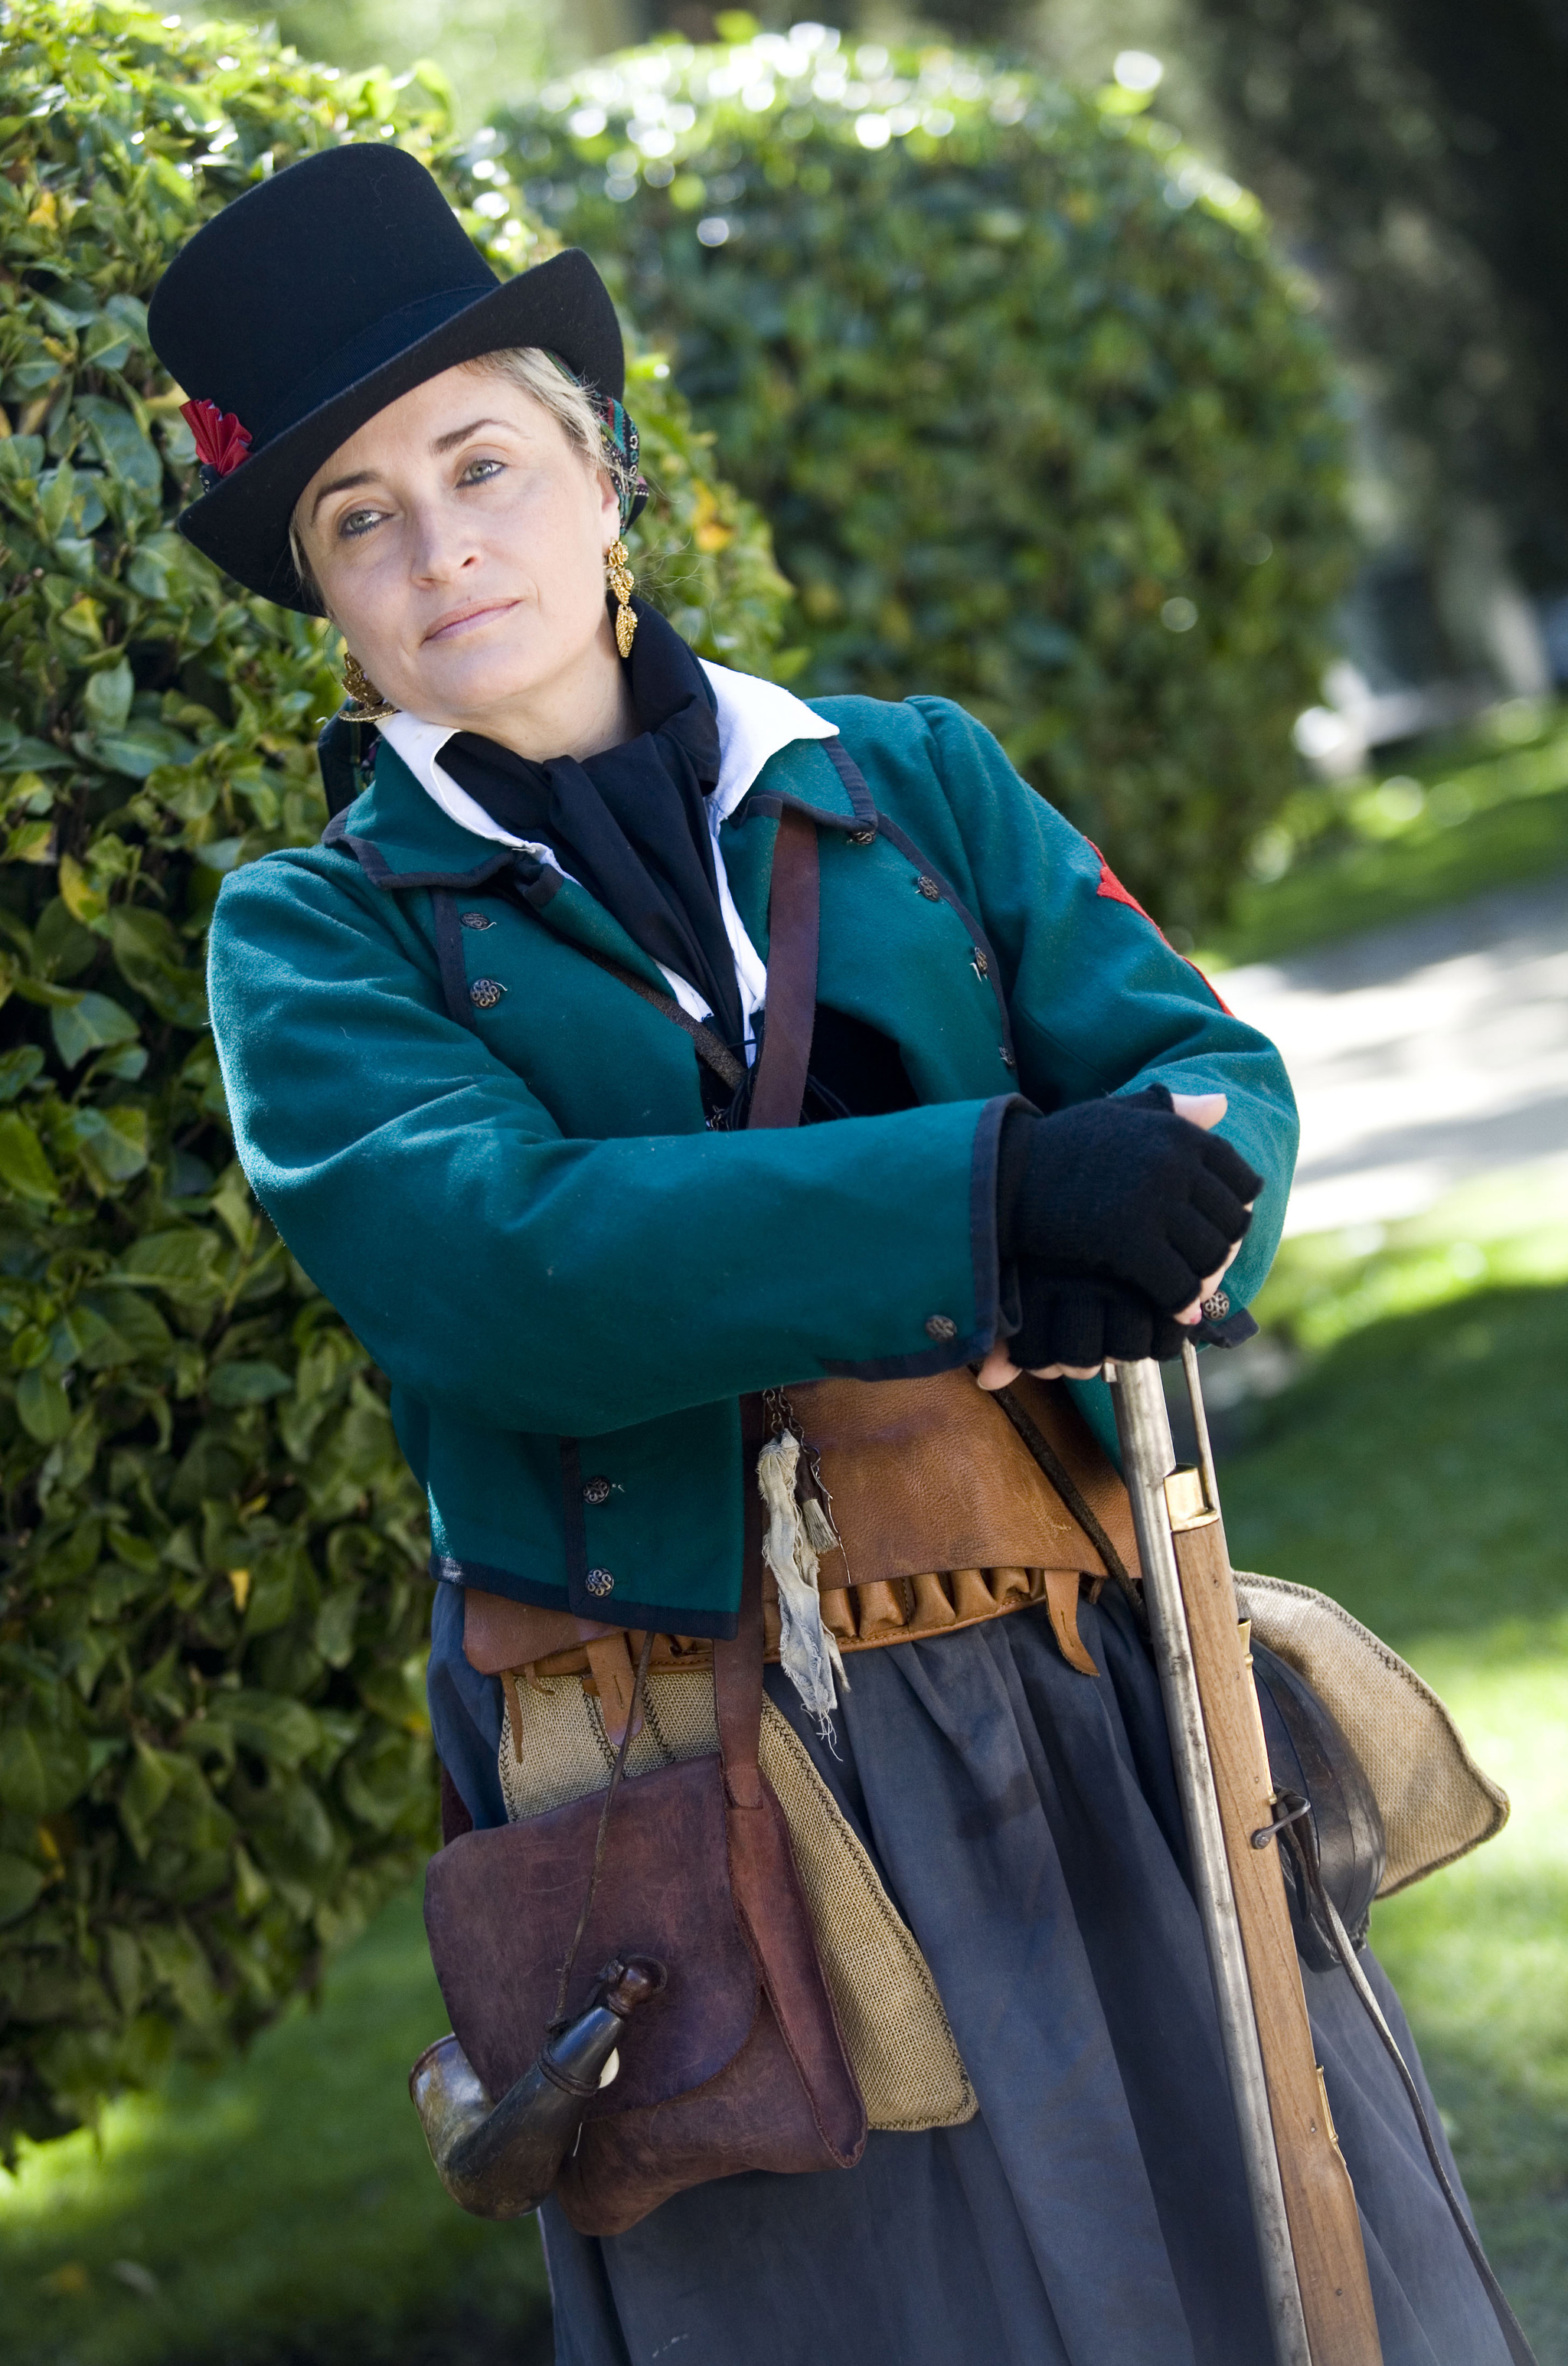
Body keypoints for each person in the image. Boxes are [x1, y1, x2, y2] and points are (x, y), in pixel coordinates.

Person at [149, 142, 1514, 2366]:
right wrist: (996, 1202)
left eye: (482, 465)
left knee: (1257, 2276)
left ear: (607, 483)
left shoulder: (913, 778)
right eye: (358, 519)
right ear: (327, 600)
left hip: (1082, 1677)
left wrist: (1170, 1207)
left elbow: (1198, 1072)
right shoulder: (312, 938)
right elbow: (497, 1264)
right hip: (683, 1770)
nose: (440, 543)